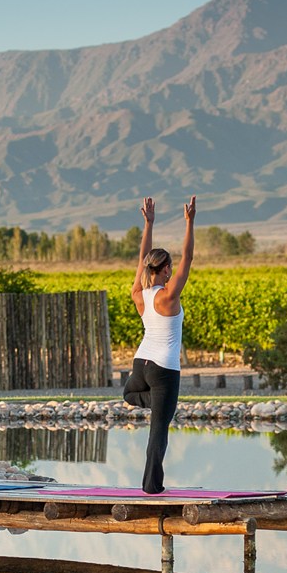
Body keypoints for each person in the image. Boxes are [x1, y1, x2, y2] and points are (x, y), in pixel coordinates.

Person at [122, 197, 195, 494]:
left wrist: (148, 224)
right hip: (164, 369)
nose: (173, 271)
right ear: (165, 270)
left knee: (129, 394)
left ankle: (156, 402)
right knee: (159, 429)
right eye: (170, 268)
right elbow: (188, 258)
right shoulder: (168, 296)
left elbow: (142, 261)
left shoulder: (139, 294)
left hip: (141, 365)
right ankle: (152, 487)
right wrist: (190, 222)